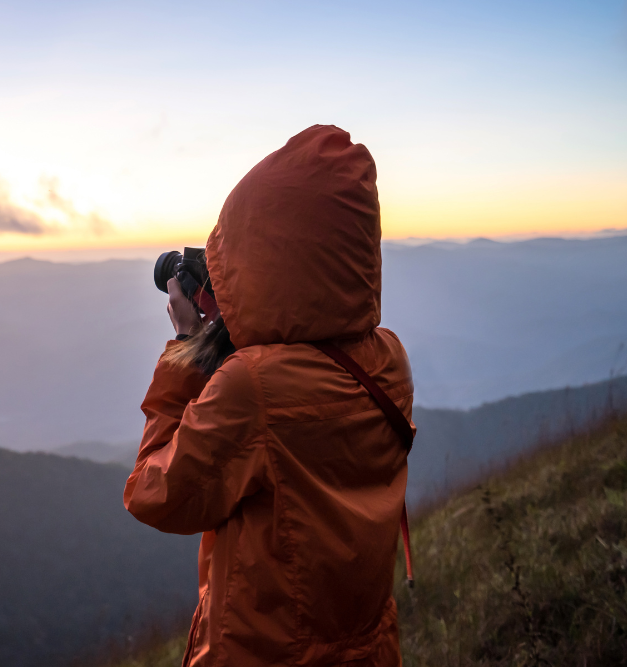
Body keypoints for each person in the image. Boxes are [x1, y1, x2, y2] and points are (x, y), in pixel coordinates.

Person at [124, 125, 414, 666]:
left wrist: (188, 346)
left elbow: (152, 493)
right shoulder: (389, 359)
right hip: (369, 650)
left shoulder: (251, 387)